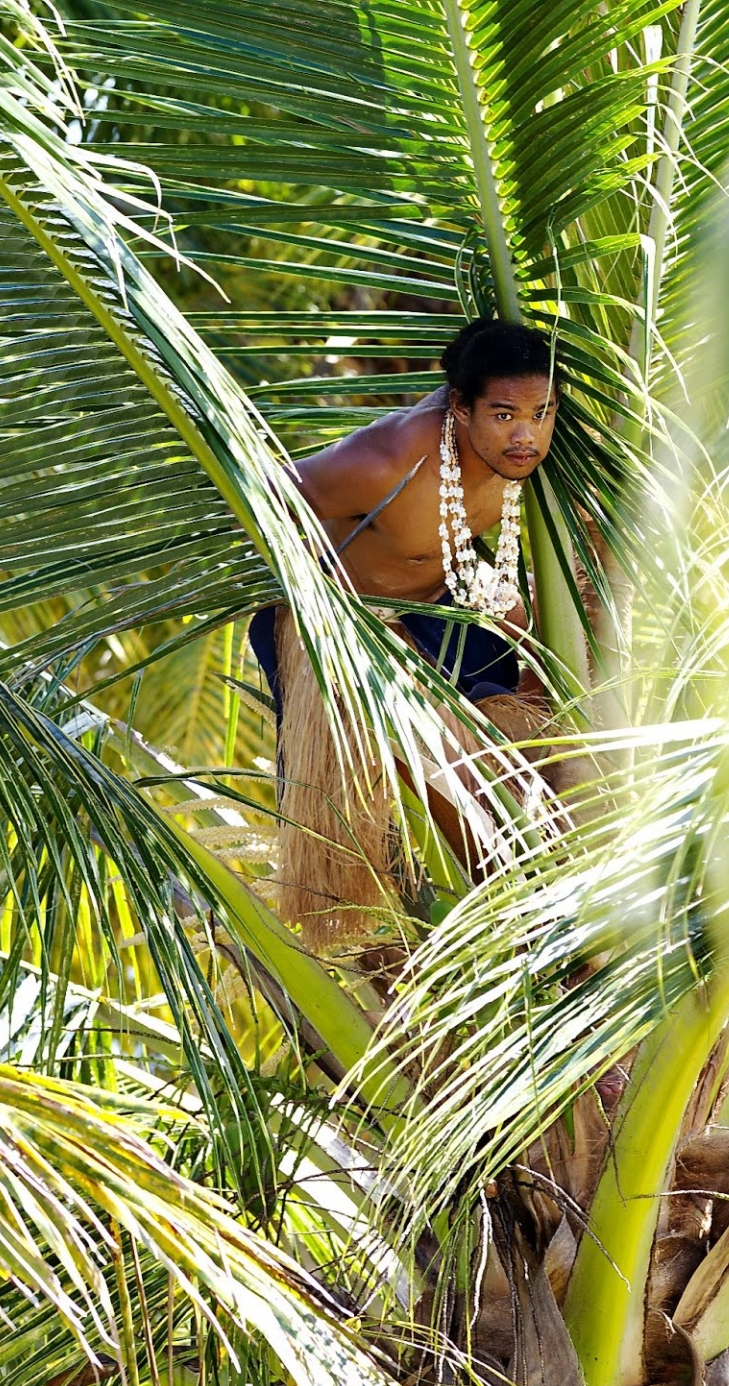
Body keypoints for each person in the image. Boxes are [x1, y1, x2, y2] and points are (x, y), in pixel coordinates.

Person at [251, 318, 562, 949]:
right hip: (345, 631)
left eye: (541, 411)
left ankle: (546, 909)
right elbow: (268, 494)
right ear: (462, 408)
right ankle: (502, 929)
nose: (526, 434)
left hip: (443, 608)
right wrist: (330, 603)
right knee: (454, 789)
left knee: (544, 730)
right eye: (503, 415)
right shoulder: (391, 459)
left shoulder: (525, 456)